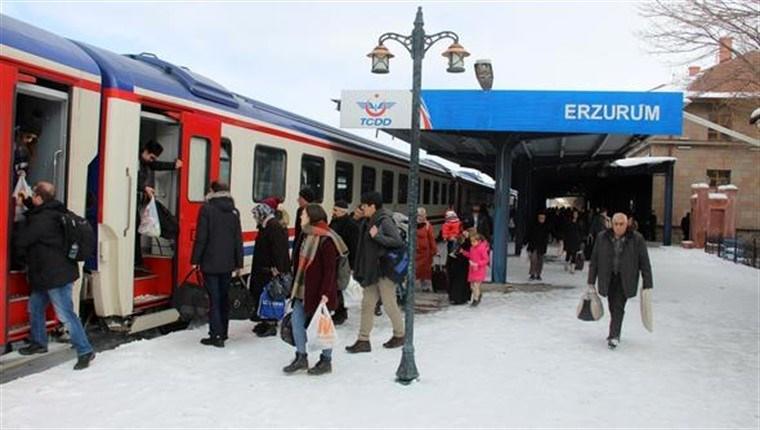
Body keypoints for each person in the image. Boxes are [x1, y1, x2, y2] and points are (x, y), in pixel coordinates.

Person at [13, 182, 95, 370]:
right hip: (50, 273)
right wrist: (26, 203)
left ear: (39, 198)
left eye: (33, 195)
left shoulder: (41, 220)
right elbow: (39, 215)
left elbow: (23, 239)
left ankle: (85, 350)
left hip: (55, 276)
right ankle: (39, 343)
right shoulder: (55, 211)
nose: (32, 197)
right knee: (35, 306)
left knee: (66, 315)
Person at [283, 204, 348, 375]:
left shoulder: (327, 239)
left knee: (322, 326)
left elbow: (330, 270)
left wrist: (325, 294)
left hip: (320, 291)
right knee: (296, 321)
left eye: (303, 215)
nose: (300, 217)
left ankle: (326, 361)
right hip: (302, 288)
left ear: (312, 216)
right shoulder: (306, 234)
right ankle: (301, 356)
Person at [345, 191, 405, 353]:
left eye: (364, 205)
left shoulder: (384, 220)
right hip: (372, 269)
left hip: (384, 269)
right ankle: (363, 340)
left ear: (372, 206)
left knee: (388, 302)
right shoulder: (369, 220)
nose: (362, 208)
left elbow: (397, 241)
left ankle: (400, 334)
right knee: (367, 304)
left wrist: (378, 237)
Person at [588, 213, 653, 350]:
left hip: (626, 278)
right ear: (611, 224)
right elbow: (595, 260)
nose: (618, 227)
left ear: (627, 224)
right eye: (616, 224)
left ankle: (614, 335)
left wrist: (647, 283)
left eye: (621, 224)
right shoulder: (602, 238)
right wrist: (591, 281)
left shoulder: (636, 239)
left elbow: (644, 262)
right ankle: (614, 330)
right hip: (608, 277)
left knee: (618, 306)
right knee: (613, 305)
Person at [191, 181, 243, 348]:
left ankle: (216, 335)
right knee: (223, 297)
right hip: (228, 263)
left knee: (214, 299)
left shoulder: (207, 209)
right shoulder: (234, 211)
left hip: (210, 262)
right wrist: (239, 262)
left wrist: (195, 260)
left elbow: (201, 237)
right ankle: (224, 332)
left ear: (212, 192)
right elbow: (237, 239)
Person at [135, 140, 182, 271]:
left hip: (139, 201)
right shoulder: (133, 159)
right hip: (130, 201)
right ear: (145, 151)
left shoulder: (145, 161)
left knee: (138, 228)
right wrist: (144, 188)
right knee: (136, 229)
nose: (152, 161)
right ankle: (136, 261)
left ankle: (137, 261)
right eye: (151, 157)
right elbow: (131, 177)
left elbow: (156, 165)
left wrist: (173, 166)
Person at [250, 197, 290, 337]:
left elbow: (279, 249)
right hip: (264, 268)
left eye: (256, 215)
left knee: (271, 295)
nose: (255, 218)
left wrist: (277, 268)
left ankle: (271, 323)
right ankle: (265, 321)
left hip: (270, 269)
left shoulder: (273, 226)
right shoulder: (268, 225)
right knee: (264, 294)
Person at [329, 200, 359, 325]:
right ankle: (338, 309)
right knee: (335, 286)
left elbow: (354, 246)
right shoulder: (335, 222)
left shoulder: (351, 225)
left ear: (343, 211)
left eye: (335, 210)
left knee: (340, 286)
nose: (333, 212)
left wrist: (352, 265)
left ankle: (340, 311)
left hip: (343, 261)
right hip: (335, 260)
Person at [460, 229, 490, 306]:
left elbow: (486, 260)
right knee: (472, 286)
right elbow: (470, 255)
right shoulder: (472, 248)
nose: (472, 243)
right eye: (471, 242)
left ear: (478, 241)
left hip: (479, 270)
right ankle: (478, 295)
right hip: (473, 270)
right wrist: (464, 252)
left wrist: (477, 264)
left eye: (474, 242)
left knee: (476, 285)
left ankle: (475, 299)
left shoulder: (482, 248)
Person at [415, 207, 437, 292]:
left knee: (425, 271)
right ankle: (414, 285)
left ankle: (425, 287)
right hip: (416, 252)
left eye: (423, 215)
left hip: (425, 253)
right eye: (419, 215)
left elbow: (431, 239)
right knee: (416, 269)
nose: (421, 217)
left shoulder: (428, 226)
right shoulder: (412, 225)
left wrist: (434, 250)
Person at [526, 212, 549, 281]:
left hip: (541, 246)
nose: (542, 219)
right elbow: (529, 235)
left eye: (543, 218)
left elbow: (546, 238)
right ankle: (532, 274)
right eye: (540, 218)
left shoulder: (546, 227)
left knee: (540, 261)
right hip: (534, 246)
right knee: (533, 260)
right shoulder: (533, 226)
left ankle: (538, 274)